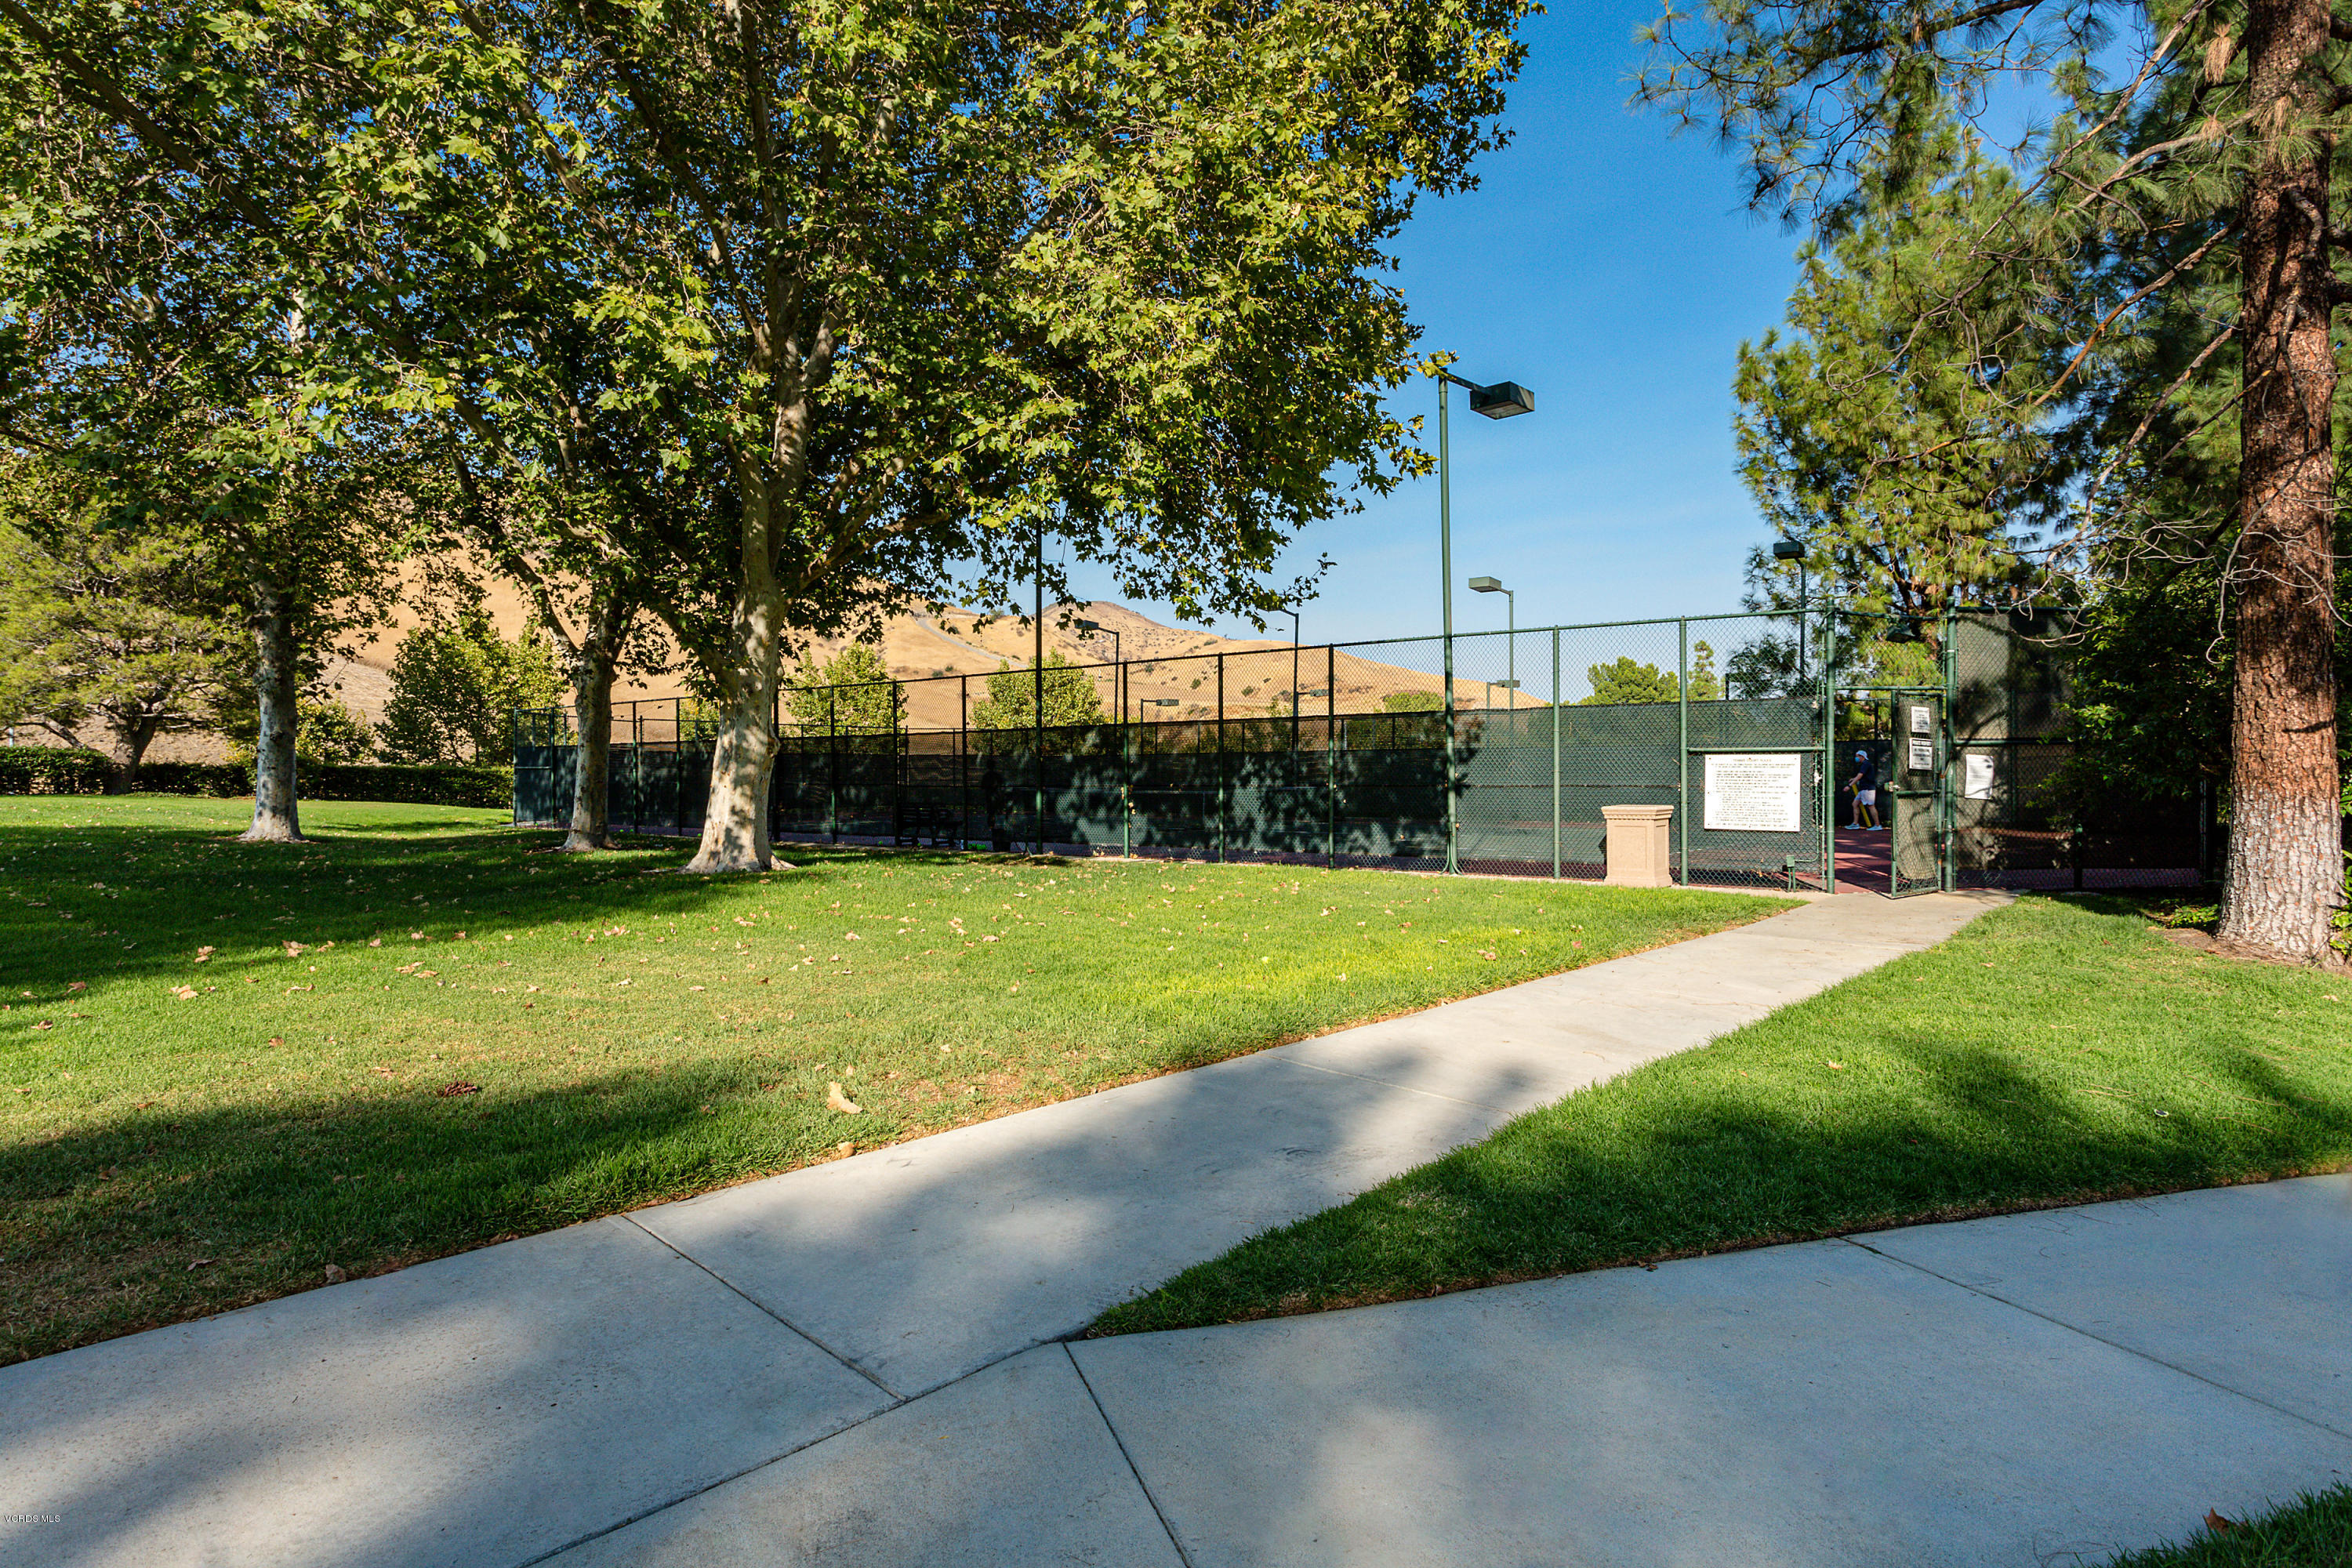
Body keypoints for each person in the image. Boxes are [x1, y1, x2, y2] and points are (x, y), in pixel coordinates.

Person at [1847, 748, 1880, 831]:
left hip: (1868, 789)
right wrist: (1853, 779)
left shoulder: (1866, 764)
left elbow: (1860, 776)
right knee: (1855, 804)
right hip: (1863, 789)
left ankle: (1877, 825)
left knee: (1871, 806)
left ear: (1862, 757)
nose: (1856, 758)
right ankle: (1855, 824)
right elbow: (1860, 776)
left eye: (1857, 756)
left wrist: (1849, 785)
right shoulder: (1864, 764)